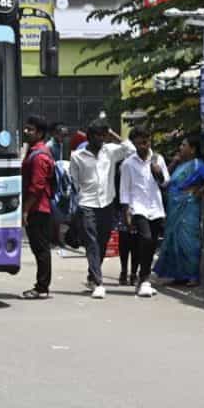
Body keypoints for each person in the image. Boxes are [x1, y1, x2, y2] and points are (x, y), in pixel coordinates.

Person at [69, 119, 134, 299]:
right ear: (89, 137)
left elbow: (131, 149)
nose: (101, 138)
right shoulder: (77, 156)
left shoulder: (110, 151)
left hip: (107, 203)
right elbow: (74, 180)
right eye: (97, 135)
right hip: (87, 203)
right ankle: (99, 282)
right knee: (91, 242)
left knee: (102, 242)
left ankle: (92, 275)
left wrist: (113, 134)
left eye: (103, 135)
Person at [153, 134, 204, 287]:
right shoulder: (180, 165)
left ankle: (193, 276)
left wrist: (201, 191)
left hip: (188, 206)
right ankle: (178, 275)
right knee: (174, 240)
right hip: (174, 206)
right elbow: (165, 182)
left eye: (184, 145)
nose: (180, 148)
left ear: (193, 149)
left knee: (189, 241)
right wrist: (174, 162)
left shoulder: (198, 164)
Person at [118, 123, 169, 297]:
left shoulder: (158, 159)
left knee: (152, 243)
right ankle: (142, 277)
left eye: (146, 142)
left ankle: (144, 278)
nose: (143, 146)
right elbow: (124, 190)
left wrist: (158, 172)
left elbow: (165, 183)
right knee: (145, 239)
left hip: (156, 207)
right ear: (133, 143)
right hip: (137, 207)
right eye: (139, 143)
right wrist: (126, 213)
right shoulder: (127, 164)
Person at [20, 115, 56, 300]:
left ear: (40, 133)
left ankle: (42, 287)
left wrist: (25, 210)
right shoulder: (36, 151)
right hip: (38, 207)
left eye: (30, 129)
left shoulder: (39, 156)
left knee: (41, 249)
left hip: (38, 208)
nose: (26, 131)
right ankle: (42, 286)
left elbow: (37, 186)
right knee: (39, 248)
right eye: (26, 128)